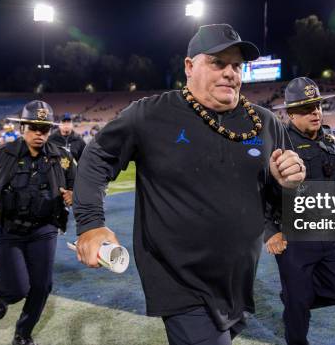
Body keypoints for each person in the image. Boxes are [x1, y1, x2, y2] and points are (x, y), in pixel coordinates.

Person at [73, 23, 306, 345]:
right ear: (189, 66)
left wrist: (288, 184)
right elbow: (95, 159)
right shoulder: (149, 115)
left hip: (237, 279)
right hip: (178, 277)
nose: (230, 73)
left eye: (236, 65)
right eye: (217, 62)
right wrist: (90, 224)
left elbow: (277, 201)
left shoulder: (265, 123)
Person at [0, 100, 76, 345]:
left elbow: (83, 186)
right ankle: (4, 292)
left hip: (44, 230)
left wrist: (75, 194)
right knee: (18, 290)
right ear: (22, 127)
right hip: (6, 230)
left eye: (44, 129)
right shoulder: (1, 155)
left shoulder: (62, 158)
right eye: (33, 127)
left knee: (42, 286)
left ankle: (22, 335)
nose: (39, 134)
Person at [269, 77, 335, 345]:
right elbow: (262, 192)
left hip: (330, 233)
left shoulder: (334, 139)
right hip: (294, 238)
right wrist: (270, 232)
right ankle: (295, 313)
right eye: (306, 108)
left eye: (318, 106)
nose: (315, 112)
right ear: (290, 113)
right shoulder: (280, 143)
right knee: (298, 308)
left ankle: (293, 301)